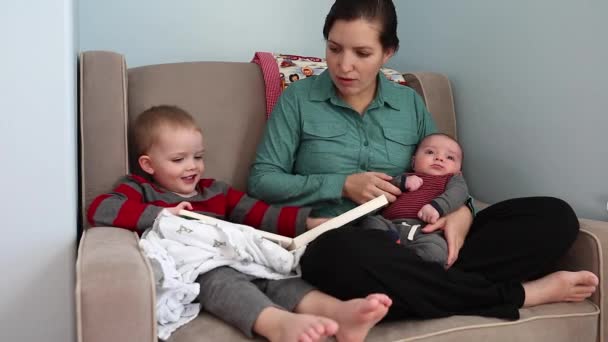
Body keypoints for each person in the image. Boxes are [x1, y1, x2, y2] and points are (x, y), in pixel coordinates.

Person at [248, 0, 598, 322]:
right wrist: (341, 184)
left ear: (388, 52)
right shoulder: (298, 100)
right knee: (337, 257)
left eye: (362, 52)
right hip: (348, 241)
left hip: (422, 239)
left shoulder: (409, 104)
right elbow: (262, 180)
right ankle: (520, 294)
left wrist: (462, 214)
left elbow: (443, 171)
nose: (344, 65)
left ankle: (421, 289)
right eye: (334, 48)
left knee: (553, 216)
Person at [87, 105, 392, 342]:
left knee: (275, 274)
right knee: (222, 281)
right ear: (148, 164)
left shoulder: (215, 190)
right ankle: (278, 325)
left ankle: (340, 314)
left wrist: (310, 222)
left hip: (235, 255)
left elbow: (259, 213)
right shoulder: (140, 189)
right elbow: (99, 208)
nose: (192, 166)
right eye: (178, 159)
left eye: (198, 156)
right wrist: (164, 215)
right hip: (201, 265)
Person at [362, 133, 469, 266]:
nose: (439, 158)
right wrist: (403, 182)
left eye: (450, 157)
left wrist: (437, 206)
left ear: (459, 171)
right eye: (430, 152)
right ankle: (389, 250)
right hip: (391, 225)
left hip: (427, 231)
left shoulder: (452, 180)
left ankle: (412, 263)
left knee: (435, 250)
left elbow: (458, 194)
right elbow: (387, 189)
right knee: (371, 222)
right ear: (413, 162)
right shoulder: (404, 176)